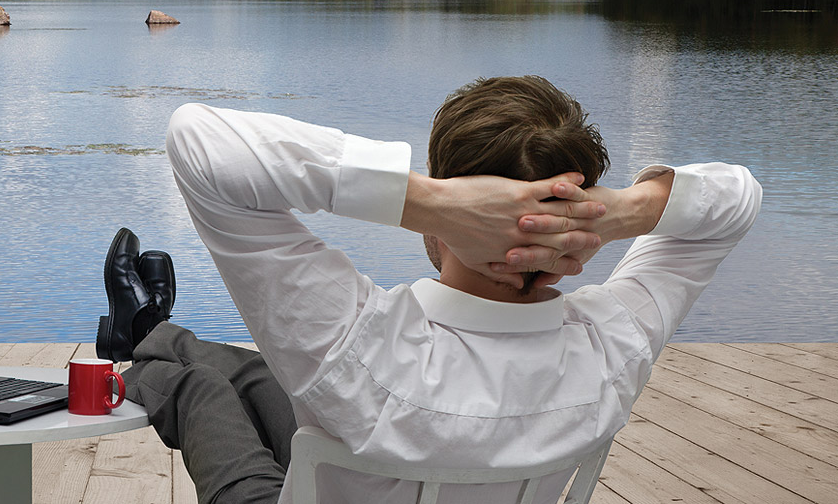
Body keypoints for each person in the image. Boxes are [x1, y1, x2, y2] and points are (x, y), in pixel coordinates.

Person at [95, 76, 761, 504]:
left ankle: (144, 349)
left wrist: (427, 203)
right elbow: (736, 199)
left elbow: (198, 140)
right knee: (257, 374)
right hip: (364, 423)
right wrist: (615, 214)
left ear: (455, 204)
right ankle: (150, 329)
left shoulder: (360, 344)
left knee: (201, 390)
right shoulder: (616, 343)